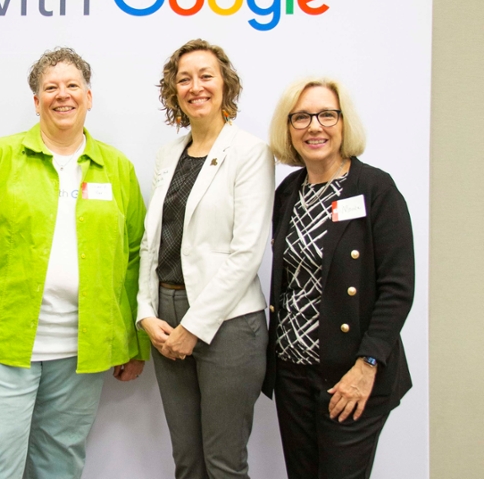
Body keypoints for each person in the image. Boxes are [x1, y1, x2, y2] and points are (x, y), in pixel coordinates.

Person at [0, 47, 148, 479]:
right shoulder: (1, 158)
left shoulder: (117, 168)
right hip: (3, 342)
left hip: (82, 348)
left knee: (59, 462)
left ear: (89, 97)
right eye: (50, 87)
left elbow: (133, 259)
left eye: (72, 85)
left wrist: (132, 342)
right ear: (36, 101)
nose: (62, 95)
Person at [263, 78, 414, 479]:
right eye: (301, 117)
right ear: (288, 128)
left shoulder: (375, 189)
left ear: (344, 123)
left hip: (351, 373)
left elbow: (398, 289)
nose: (315, 126)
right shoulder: (287, 192)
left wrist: (367, 365)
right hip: (292, 371)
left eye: (327, 114)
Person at [137, 38, 274, 479]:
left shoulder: (250, 153)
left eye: (205, 76)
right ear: (173, 91)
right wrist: (145, 312)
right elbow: (151, 243)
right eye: (184, 79)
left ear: (225, 85)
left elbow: (247, 252)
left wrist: (194, 328)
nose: (195, 86)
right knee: (187, 462)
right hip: (165, 317)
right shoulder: (167, 154)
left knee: (224, 464)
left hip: (228, 324)